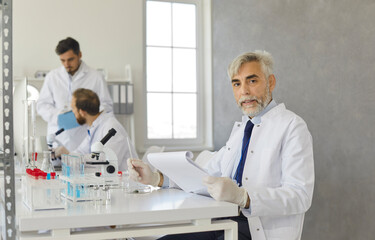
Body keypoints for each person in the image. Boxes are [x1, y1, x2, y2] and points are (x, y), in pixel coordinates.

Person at [127, 50, 314, 240]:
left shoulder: (292, 127)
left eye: (252, 81)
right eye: (237, 83)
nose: (244, 91)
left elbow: (300, 196)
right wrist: (156, 178)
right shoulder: (242, 130)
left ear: (270, 82)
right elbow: (203, 176)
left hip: (257, 231)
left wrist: (245, 197)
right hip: (223, 222)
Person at [36, 37, 113, 152]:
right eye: (62, 60)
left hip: (83, 138)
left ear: (79, 55)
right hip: (58, 138)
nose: (66, 64)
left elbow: (106, 106)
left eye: (70, 59)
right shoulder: (52, 77)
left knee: (82, 166)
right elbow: (41, 105)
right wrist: (59, 117)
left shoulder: (95, 76)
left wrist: (83, 115)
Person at [57, 88, 137, 171]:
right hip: (106, 180)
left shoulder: (111, 127)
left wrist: (69, 155)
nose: (72, 112)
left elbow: (106, 162)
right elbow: (81, 152)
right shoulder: (94, 126)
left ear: (82, 112)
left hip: (125, 181)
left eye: (73, 108)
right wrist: (65, 155)